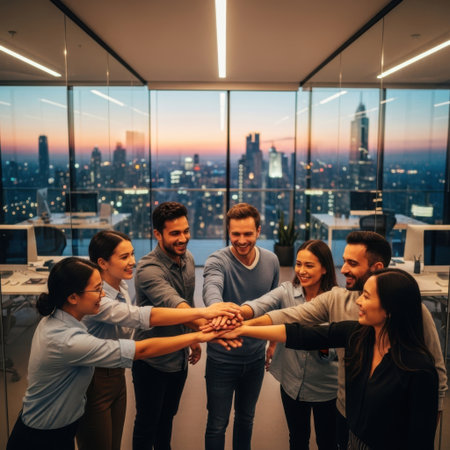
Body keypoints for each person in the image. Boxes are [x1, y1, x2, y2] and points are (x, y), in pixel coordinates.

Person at [241, 231, 447, 449]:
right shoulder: (347, 316)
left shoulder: (413, 316)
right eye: (343, 261)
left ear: (376, 269)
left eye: (352, 263)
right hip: (346, 414)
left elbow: (436, 381)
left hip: (388, 429)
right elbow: (295, 323)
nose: (344, 269)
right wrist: (241, 326)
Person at [6, 257, 236, 450]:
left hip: (59, 428)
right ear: (73, 297)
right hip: (40, 437)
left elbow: (143, 316)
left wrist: (201, 315)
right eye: (97, 290)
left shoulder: (62, 317)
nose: (102, 296)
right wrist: (199, 336)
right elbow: (141, 349)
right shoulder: (65, 340)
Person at [76, 230, 240, 450]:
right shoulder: (99, 301)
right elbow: (146, 317)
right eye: (124, 257)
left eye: (132, 254)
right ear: (103, 263)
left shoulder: (122, 287)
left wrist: (195, 330)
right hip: (94, 377)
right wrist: (204, 317)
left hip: (116, 373)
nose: (133, 262)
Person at [132, 202, 219, 450]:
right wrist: (210, 329)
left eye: (186, 231)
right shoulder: (148, 269)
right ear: (157, 234)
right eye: (175, 234)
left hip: (178, 359)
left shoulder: (187, 258)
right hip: (152, 361)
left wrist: (193, 338)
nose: (183, 239)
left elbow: (188, 300)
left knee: (167, 418)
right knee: (147, 424)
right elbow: (176, 307)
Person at [240, 240, 339, 450]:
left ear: (324, 268)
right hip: (292, 384)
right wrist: (237, 315)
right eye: (298, 264)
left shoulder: (337, 300)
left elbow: (336, 352)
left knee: (328, 442)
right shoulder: (286, 291)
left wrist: (320, 342)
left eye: (309, 266)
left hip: (326, 389)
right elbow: (261, 305)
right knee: (297, 438)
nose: (301, 271)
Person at [203, 202, 280, 450]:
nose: (242, 240)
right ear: (228, 233)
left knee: (246, 419)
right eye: (235, 234)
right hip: (222, 360)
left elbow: (274, 305)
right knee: (217, 423)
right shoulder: (217, 260)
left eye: (248, 233)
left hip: (255, 359)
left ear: (258, 231)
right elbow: (211, 289)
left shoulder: (271, 261)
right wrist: (217, 309)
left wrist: (272, 343)